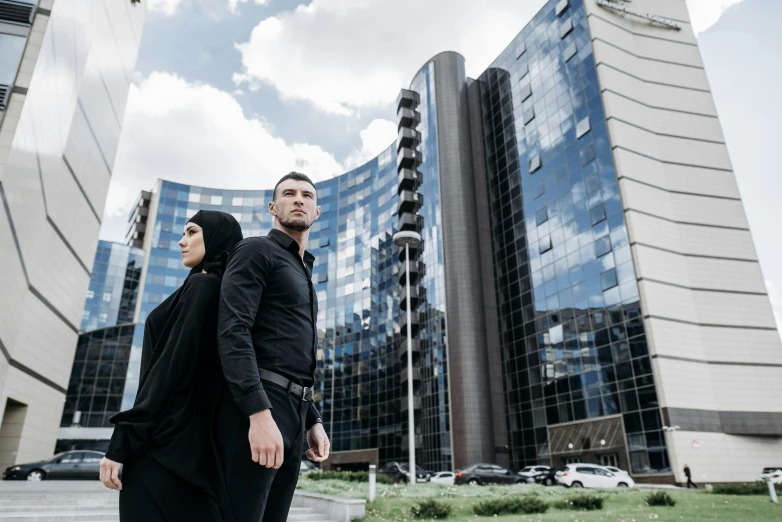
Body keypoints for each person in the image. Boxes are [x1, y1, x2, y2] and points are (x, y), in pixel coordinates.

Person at [99, 211, 243, 522]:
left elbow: (167, 371)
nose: (181, 241)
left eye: (191, 232)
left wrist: (123, 440)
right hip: (192, 451)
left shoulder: (203, 287)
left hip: (163, 449)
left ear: (216, 237)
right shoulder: (219, 291)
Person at [216, 172, 330, 522]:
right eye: (289, 194)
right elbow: (233, 330)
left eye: (307, 196)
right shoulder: (255, 250)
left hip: (295, 411)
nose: (299, 200)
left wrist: (311, 418)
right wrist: (258, 413)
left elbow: (290, 350)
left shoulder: (304, 271)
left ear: (317, 211)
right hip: (262, 404)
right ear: (272, 207)